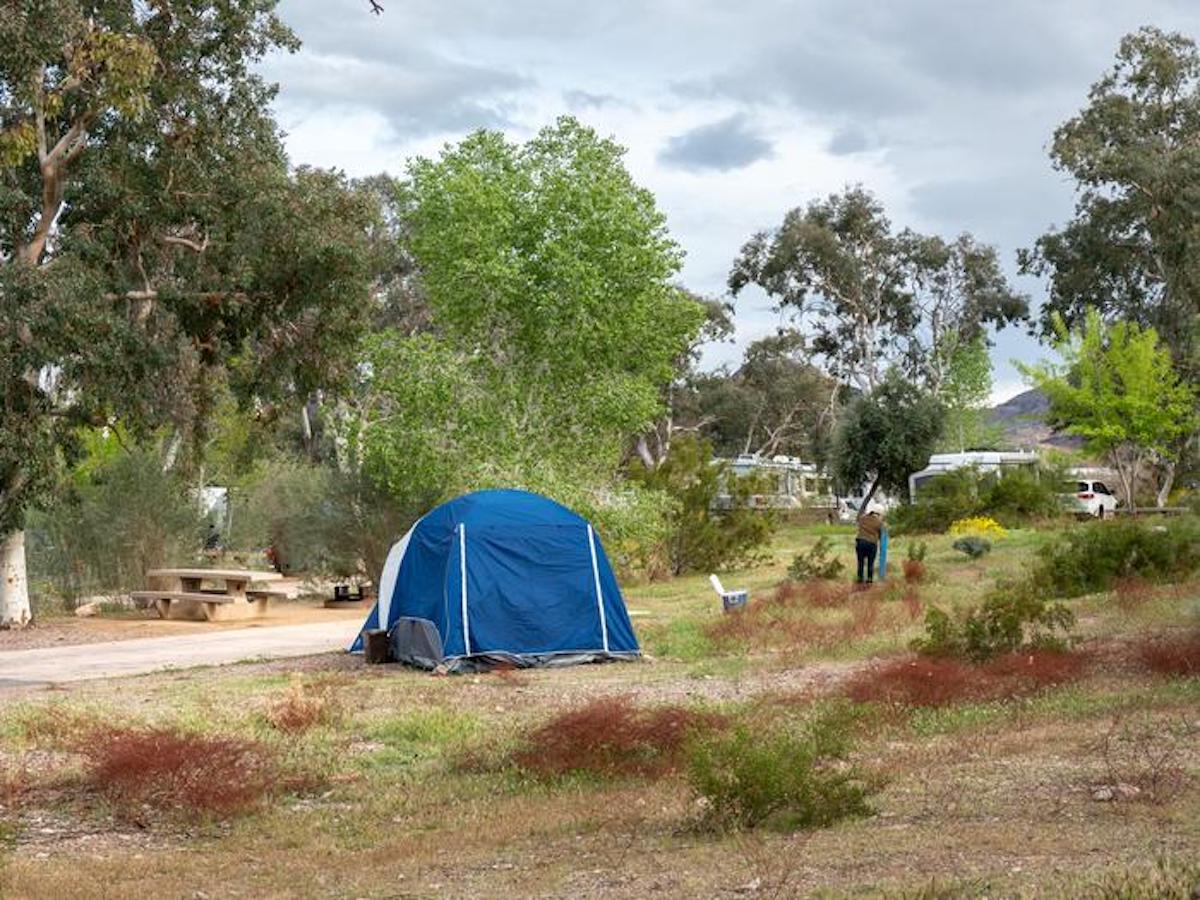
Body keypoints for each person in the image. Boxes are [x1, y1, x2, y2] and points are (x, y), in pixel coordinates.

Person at [855, 507, 883, 584]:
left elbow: (858, 525)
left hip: (860, 541)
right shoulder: (878, 521)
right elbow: (881, 533)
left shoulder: (862, 518)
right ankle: (869, 579)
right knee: (870, 563)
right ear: (877, 514)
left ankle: (859, 579)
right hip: (872, 543)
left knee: (860, 562)